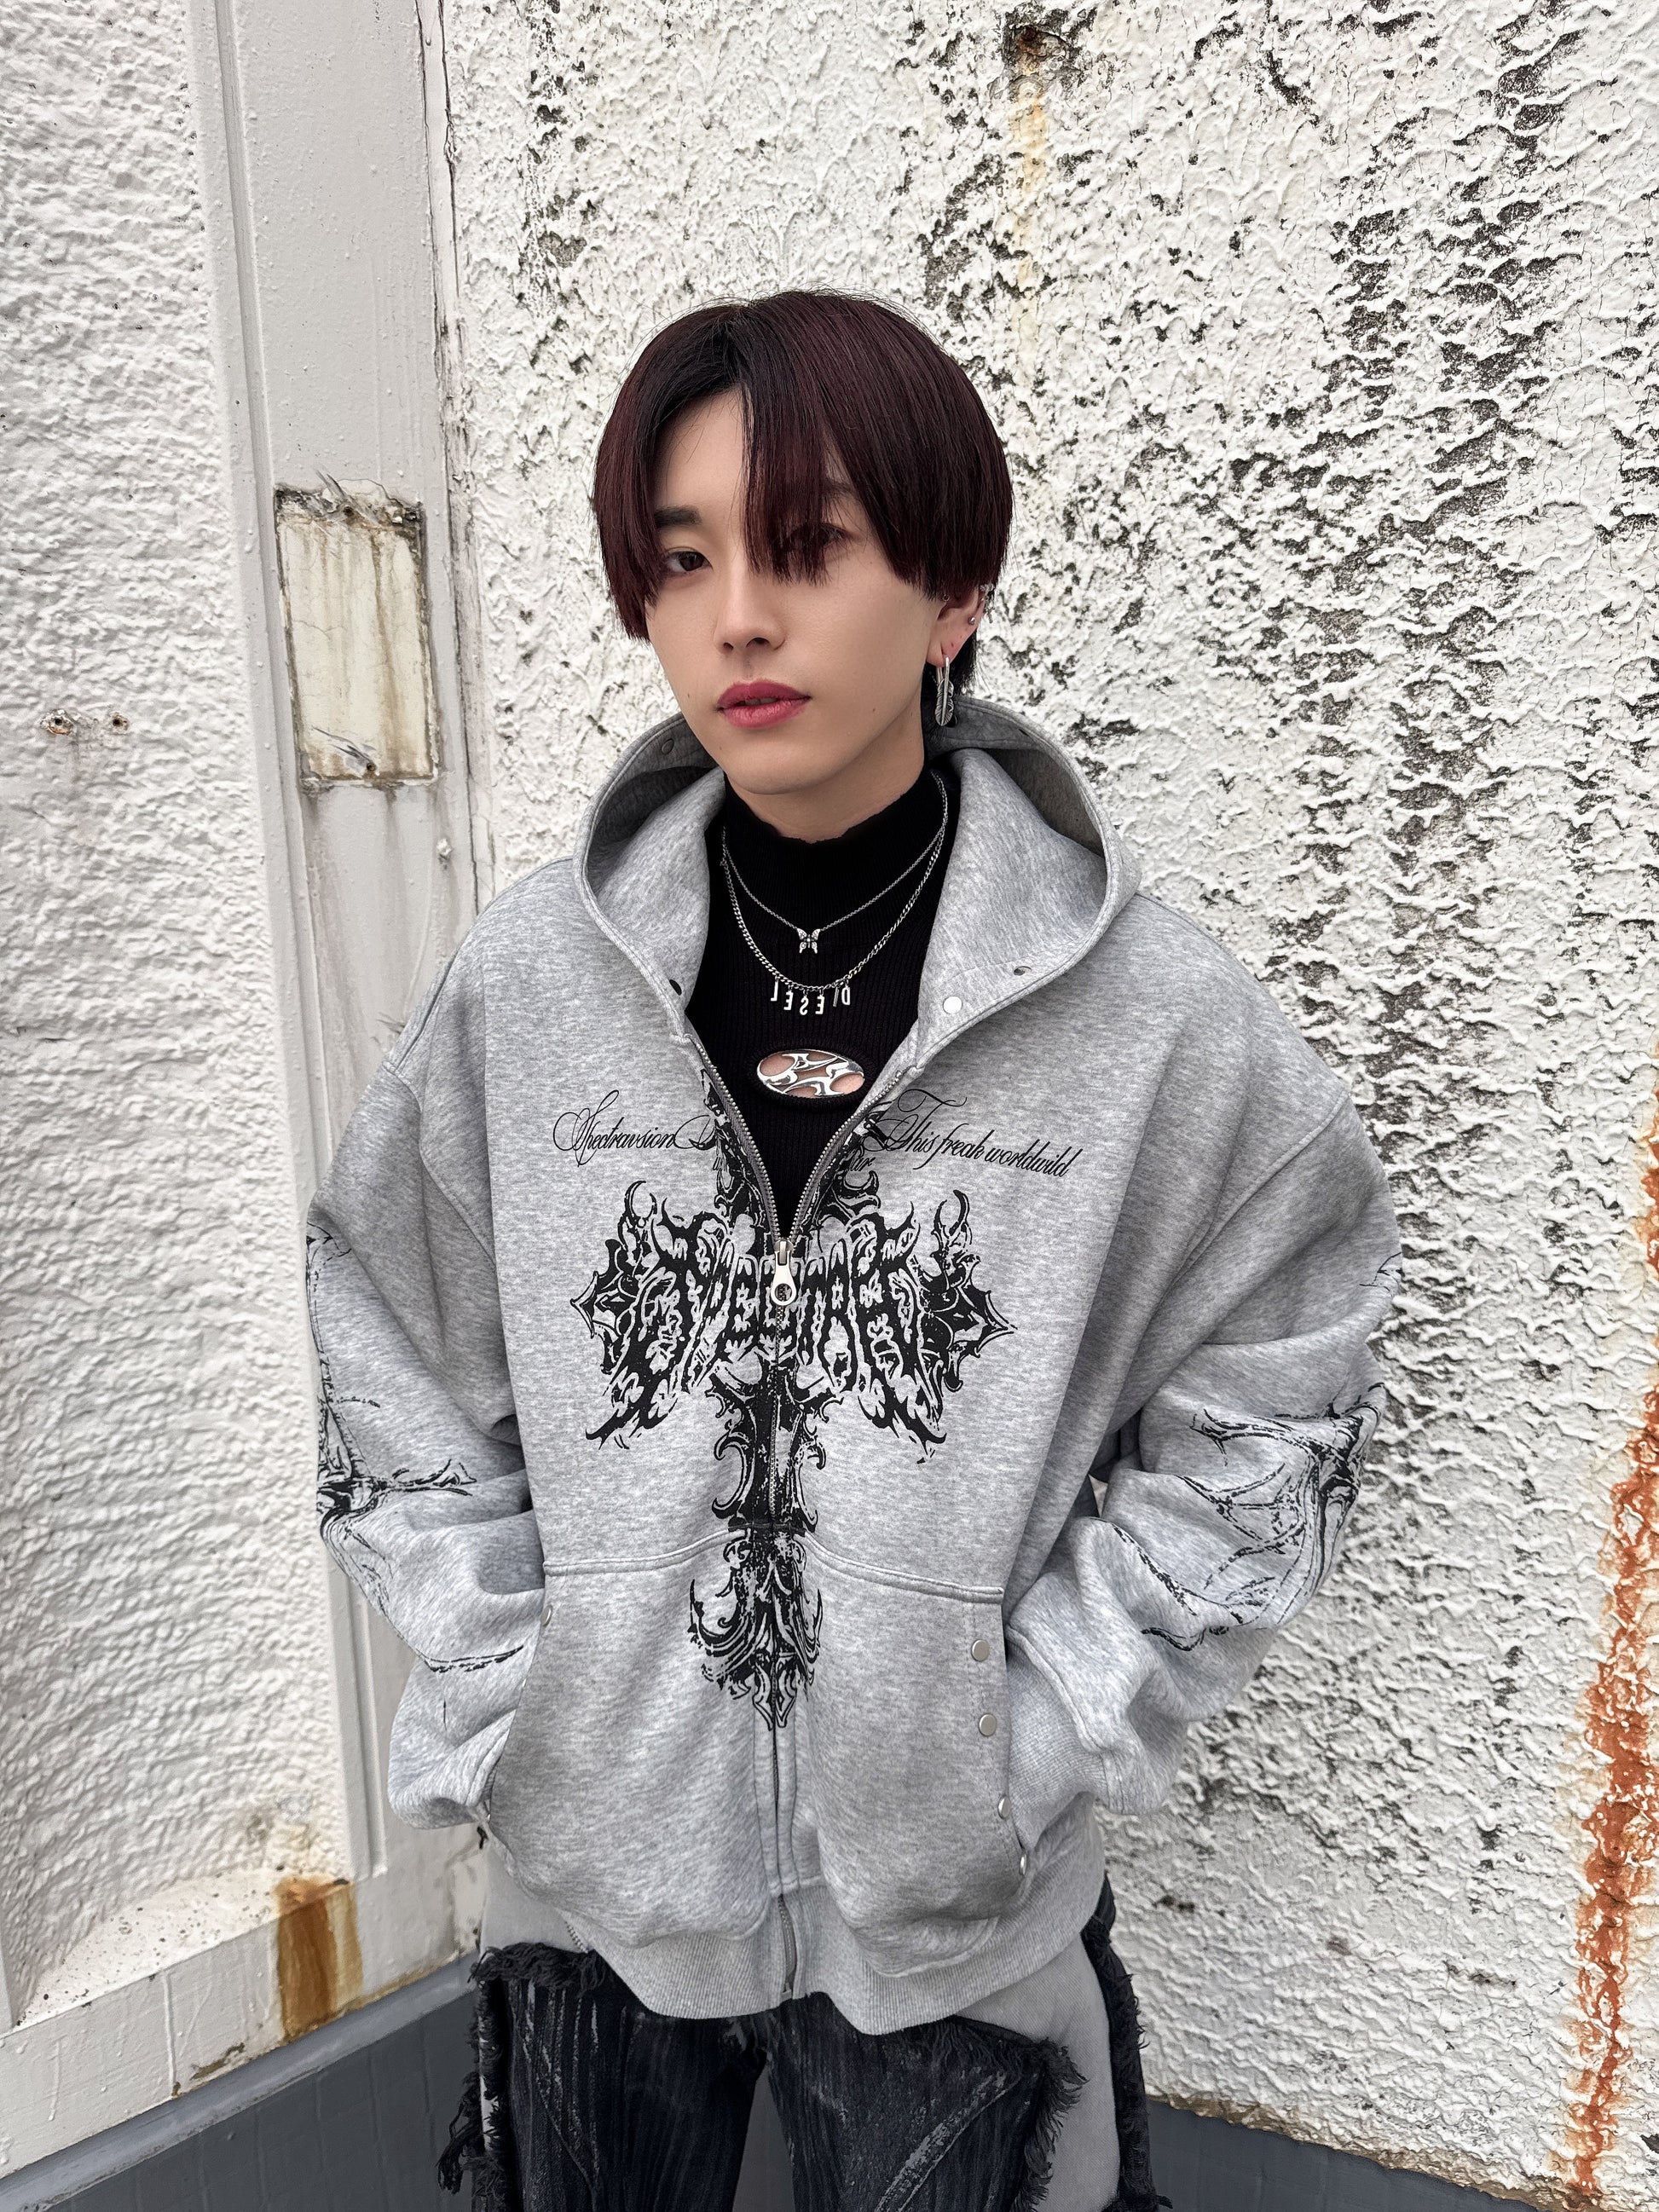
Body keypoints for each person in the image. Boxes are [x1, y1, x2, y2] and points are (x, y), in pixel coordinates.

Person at [304, 291, 1398, 2212]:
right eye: (682, 558)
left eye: (806, 547)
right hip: (594, 1905)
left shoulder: (1146, 1025)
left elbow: (1278, 1375)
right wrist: (515, 1694)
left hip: (958, 1944)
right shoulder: (533, 989)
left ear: (951, 588)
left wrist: (1040, 1724)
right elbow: (388, 1328)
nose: (738, 617)